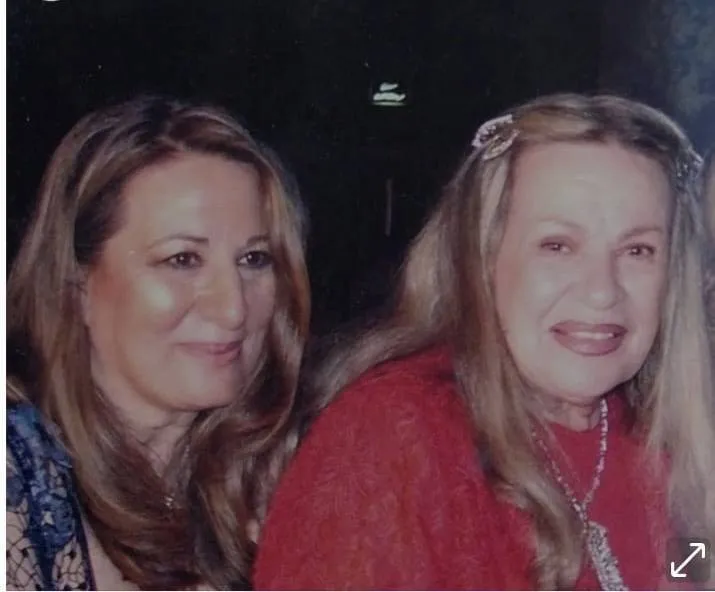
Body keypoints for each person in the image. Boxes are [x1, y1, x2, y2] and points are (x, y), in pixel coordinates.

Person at [254, 93, 715, 590]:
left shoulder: (662, 441)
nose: (602, 291)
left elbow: (691, 562)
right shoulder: (395, 440)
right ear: (482, 258)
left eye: (638, 250)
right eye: (557, 246)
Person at [6, 95, 311, 590]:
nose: (233, 308)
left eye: (254, 259)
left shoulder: (284, 467)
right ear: (77, 287)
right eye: (182, 260)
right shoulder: (16, 476)